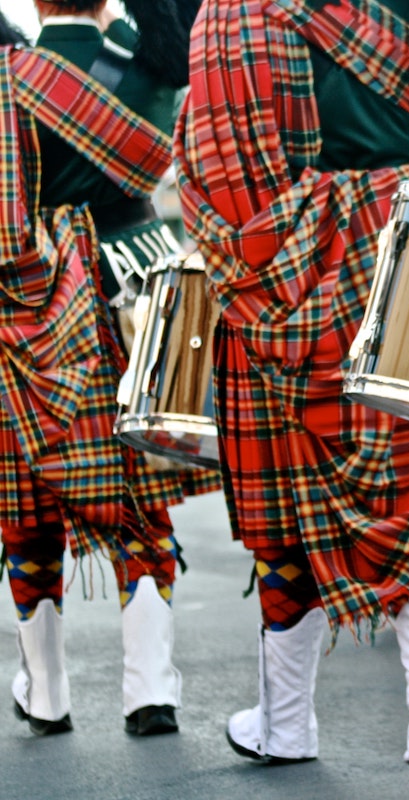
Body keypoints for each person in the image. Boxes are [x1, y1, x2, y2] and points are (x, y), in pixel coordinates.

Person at [174, 0, 409, 766]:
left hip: (266, 275)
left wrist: (269, 244)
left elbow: (209, 172)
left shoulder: (223, 16)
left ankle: (285, 725)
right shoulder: (402, 10)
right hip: (395, 256)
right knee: (408, 484)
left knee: (282, 501)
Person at [0, 0, 211, 738]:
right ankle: (150, 689)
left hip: (43, 304)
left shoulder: (12, 75)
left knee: (27, 511)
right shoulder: (151, 57)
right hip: (141, 293)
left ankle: (48, 691)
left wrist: (35, 291)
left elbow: (6, 222)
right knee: (141, 500)